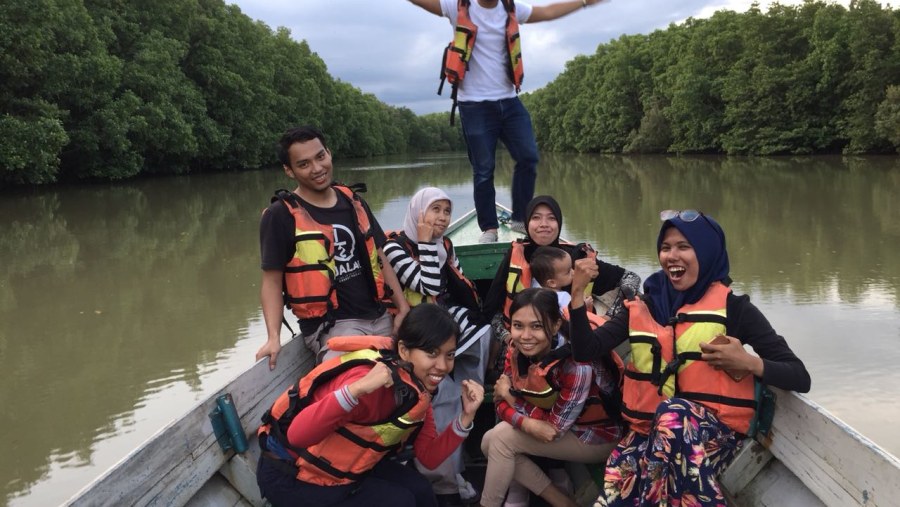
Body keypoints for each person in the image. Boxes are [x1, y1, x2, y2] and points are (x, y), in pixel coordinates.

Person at [567, 209, 812, 507]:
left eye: (684, 247)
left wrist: (749, 363)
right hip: (649, 433)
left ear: (707, 253)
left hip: (713, 435)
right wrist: (577, 293)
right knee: (616, 493)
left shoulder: (735, 310)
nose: (672, 255)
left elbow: (799, 376)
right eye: (666, 247)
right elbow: (586, 350)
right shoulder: (644, 305)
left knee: (674, 415)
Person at [407, 0, 612, 244]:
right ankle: (490, 228)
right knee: (484, 170)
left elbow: (546, 12)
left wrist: (584, 2)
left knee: (528, 156)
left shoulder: (510, 8)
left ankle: (519, 218)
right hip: (474, 104)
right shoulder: (458, 5)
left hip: (508, 100)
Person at [256, 303, 485, 507]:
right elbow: (297, 435)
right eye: (431, 353)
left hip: (342, 467)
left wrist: (465, 417)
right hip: (289, 475)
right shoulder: (371, 384)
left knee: (421, 489)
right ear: (404, 350)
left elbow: (428, 457)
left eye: (450, 355)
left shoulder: (416, 389)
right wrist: (356, 390)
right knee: (401, 501)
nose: (443, 366)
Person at [255, 125, 410, 369]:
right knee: (362, 378)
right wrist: (273, 338)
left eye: (320, 156)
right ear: (289, 170)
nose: (317, 168)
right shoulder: (280, 216)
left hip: (381, 316)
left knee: (429, 357)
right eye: (304, 164)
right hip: (334, 327)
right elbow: (271, 282)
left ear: (329, 152)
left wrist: (402, 307)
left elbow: (380, 255)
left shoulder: (352, 200)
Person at [382, 187, 491, 504]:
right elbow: (427, 284)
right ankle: (445, 480)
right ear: (418, 213)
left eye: (446, 211)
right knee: (441, 398)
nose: (441, 218)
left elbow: (451, 285)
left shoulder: (445, 244)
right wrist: (427, 243)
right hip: (417, 331)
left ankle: (470, 386)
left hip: (440, 319)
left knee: (483, 331)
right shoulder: (396, 247)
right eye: (435, 210)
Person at [480, 288, 622, 507]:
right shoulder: (516, 349)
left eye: (536, 326)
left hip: (595, 436)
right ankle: (562, 502)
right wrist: (526, 422)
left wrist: (512, 400)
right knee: (490, 442)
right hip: (558, 426)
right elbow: (499, 401)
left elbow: (552, 430)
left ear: (556, 325)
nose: (525, 336)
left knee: (498, 440)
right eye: (518, 326)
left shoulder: (577, 364)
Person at [481, 195, 641, 372]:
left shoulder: (576, 258)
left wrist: (610, 317)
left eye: (551, 218)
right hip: (521, 347)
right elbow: (490, 310)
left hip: (575, 349)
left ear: (559, 224)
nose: (544, 224)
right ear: (527, 223)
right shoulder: (514, 256)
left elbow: (631, 278)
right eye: (536, 217)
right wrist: (509, 338)